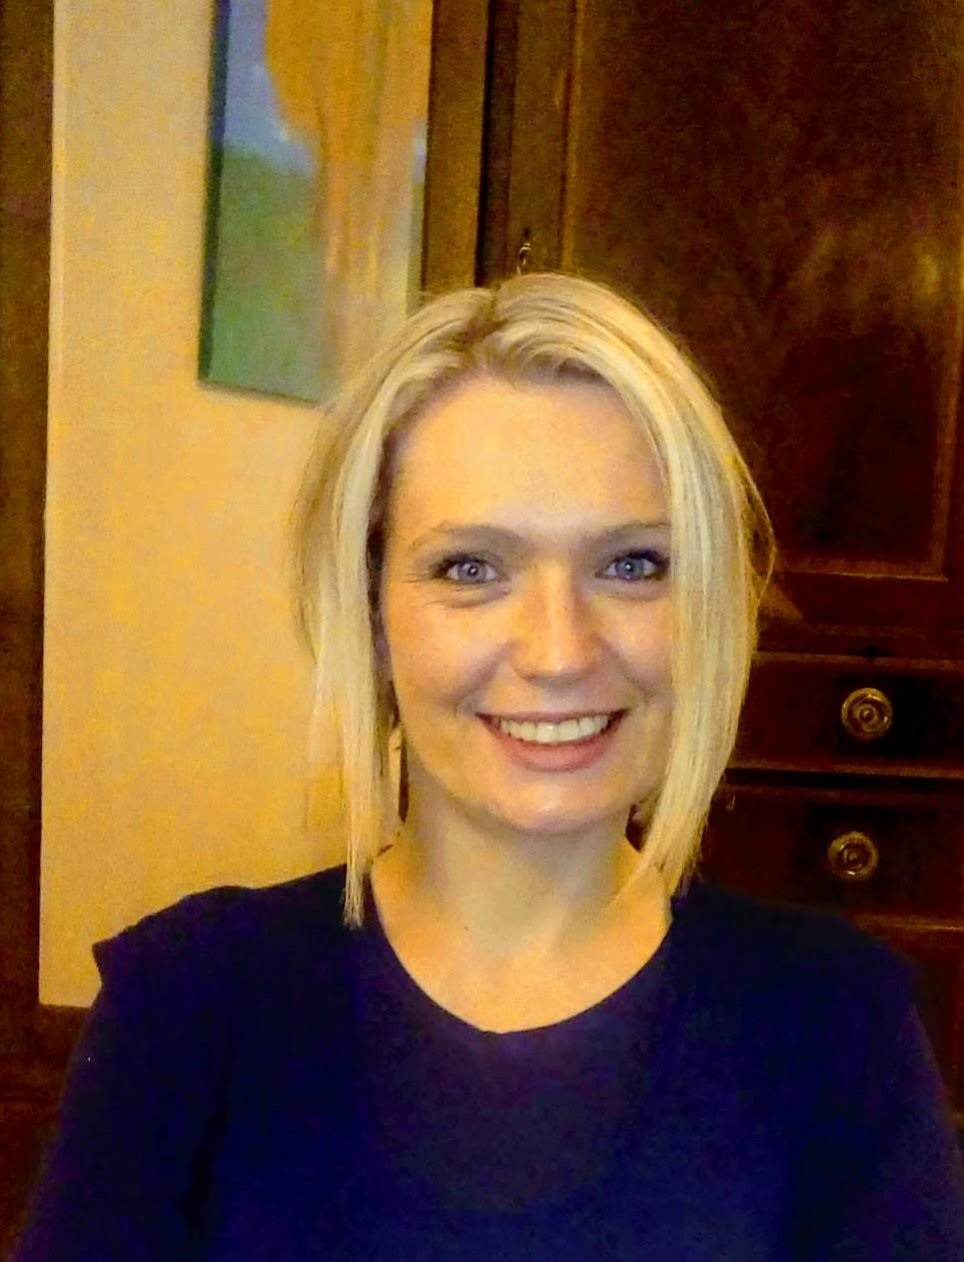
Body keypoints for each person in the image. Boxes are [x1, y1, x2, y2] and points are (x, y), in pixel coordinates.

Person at [13, 273, 964, 1261]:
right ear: (370, 609)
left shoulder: (839, 1029)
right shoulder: (190, 1005)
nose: (557, 649)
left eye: (632, 563)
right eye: (471, 567)